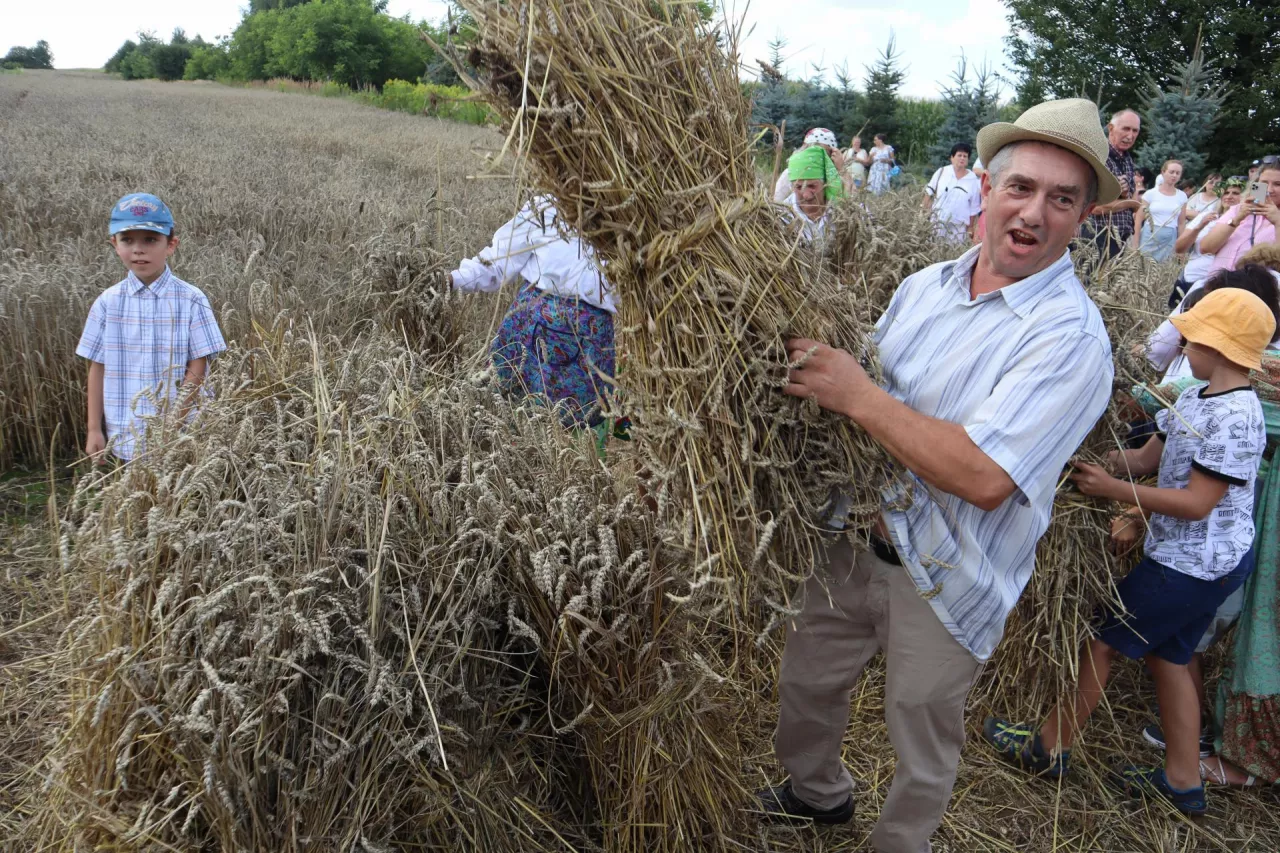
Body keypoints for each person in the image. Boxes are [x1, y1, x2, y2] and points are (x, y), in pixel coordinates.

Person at [756, 98, 1117, 852]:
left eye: (1061, 199)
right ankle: (816, 793)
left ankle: (901, 842)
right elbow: (866, 388)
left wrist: (857, 393)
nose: (1034, 212)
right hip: (854, 534)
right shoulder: (927, 285)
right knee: (807, 684)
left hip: (951, 571)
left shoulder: (1072, 340)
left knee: (920, 729)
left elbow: (985, 475)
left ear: (1083, 217)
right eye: (1021, 187)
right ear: (987, 187)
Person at [984, 287, 1273, 817]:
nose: (1184, 345)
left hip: (1194, 566)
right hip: (1198, 562)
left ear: (1222, 346)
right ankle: (1183, 782)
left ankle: (1050, 747)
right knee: (1171, 656)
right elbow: (1144, 458)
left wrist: (1114, 493)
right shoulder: (1193, 397)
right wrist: (1088, 461)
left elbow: (1197, 503)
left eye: (1193, 337)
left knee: (1103, 638)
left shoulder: (1237, 416)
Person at [76, 193, 226, 464]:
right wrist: (94, 429)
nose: (138, 249)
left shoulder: (191, 300)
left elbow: (198, 367)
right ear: (114, 244)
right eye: (127, 240)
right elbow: (97, 367)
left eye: (150, 240)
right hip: (125, 434)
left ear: (171, 245)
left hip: (183, 432)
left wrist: (171, 426)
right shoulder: (107, 304)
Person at [449, 196, 616, 429]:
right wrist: (453, 280)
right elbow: (498, 260)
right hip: (526, 334)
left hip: (586, 346)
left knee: (582, 429)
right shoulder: (545, 206)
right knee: (507, 420)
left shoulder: (624, 216)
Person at [1164, 176, 1245, 308]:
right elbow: (1179, 248)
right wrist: (1199, 227)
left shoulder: (1248, 224)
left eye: (1235, 193)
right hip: (1191, 279)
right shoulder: (1205, 216)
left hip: (1223, 287)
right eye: (1226, 192)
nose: (1229, 197)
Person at [1199, 161, 1280, 273]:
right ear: (1256, 185)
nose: (1269, 190)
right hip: (1218, 283)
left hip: (1257, 288)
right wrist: (1237, 219)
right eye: (1264, 183)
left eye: (1278, 184)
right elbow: (1206, 248)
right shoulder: (1238, 209)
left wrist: (1278, 222)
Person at [1084, 108, 1142, 261]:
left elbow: (1129, 199)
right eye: (1126, 129)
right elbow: (1093, 207)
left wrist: (1122, 196)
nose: (1130, 136)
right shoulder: (1099, 157)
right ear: (1111, 128)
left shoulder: (1128, 159)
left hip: (1120, 238)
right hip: (1096, 236)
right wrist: (1128, 202)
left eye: (1135, 131)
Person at [922, 143, 982, 243]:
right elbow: (929, 193)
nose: (962, 158)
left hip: (958, 230)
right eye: (959, 155)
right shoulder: (942, 172)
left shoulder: (972, 180)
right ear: (952, 158)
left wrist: (970, 228)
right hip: (936, 224)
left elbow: (973, 208)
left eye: (965, 156)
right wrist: (923, 214)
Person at [783, 146, 844, 243]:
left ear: (825, 183)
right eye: (799, 187)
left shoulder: (844, 210)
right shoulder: (783, 215)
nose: (806, 195)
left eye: (812, 186)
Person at [773, 128, 849, 202]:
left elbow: (853, 200)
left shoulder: (836, 175)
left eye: (823, 152)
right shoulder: (790, 173)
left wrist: (842, 169)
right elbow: (776, 200)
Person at [1134, 159, 1188, 261]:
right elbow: (1139, 218)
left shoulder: (1182, 196)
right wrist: (1136, 242)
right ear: (1163, 172)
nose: (1174, 175)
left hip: (1169, 237)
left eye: (1177, 173)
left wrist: (1181, 249)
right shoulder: (1150, 194)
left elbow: (1181, 223)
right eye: (1171, 172)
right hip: (1149, 235)